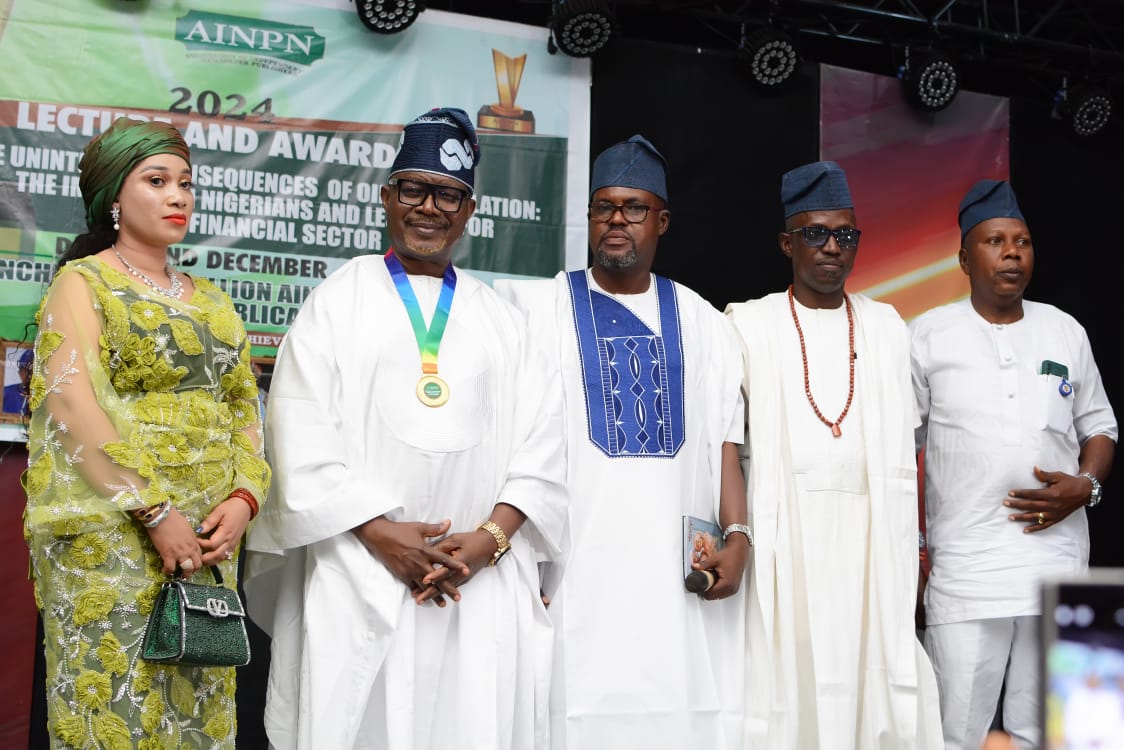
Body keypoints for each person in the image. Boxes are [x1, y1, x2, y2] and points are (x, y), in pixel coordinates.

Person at [244, 108, 567, 750]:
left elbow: (544, 444)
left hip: (479, 583)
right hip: (358, 566)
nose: (430, 207)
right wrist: (381, 534)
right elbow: (297, 430)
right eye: (414, 189)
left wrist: (488, 543)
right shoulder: (338, 300)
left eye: (448, 194)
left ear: (469, 209)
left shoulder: (504, 319)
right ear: (388, 197)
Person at [22, 117, 270, 748]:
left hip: (209, 540)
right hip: (115, 536)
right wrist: (154, 510)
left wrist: (244, 500)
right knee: (115, 702)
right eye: (156, 181)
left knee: (197, 707)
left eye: (185, 182)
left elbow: (244, 405)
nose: (178, 196)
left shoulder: (212, 301)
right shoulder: (83, 283)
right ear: (113, 197)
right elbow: (72, 402)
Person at [495, 135, 749, 748]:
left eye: (634, 208)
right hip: (571, 584)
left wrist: (739, 538)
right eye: (603, 206)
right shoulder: (536, 310)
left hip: (677, 594)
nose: (616, 219)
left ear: (661, 221)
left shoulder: (707, 324)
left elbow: (724, 445)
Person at [726, 160, 942, 749]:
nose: (831, 248)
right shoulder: (747, 323)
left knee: (873, 681)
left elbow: (908, 443)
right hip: (783, 543)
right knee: (787, 692)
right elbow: (725, 448)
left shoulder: (886, 326)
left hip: (871, 546)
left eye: (845, 235)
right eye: (816, 233)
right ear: (786, 241)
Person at [911, 179, 1117, 750]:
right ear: (963, 258)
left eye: (1022, 241)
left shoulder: (1065, 329)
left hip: (1059, 567)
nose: (1012, 252)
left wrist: (1088, 484)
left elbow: (1099, 425)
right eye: (996, 241)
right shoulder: (927, 335)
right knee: (952, 733)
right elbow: (900, 449)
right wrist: (910, 551)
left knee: (1061, 733)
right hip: (966, 572)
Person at [2, 346, 32, 414]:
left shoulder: (50, 397)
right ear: (20, 373)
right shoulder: (5, 393)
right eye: (26, 370)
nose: (30, 375)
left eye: (33, 371)